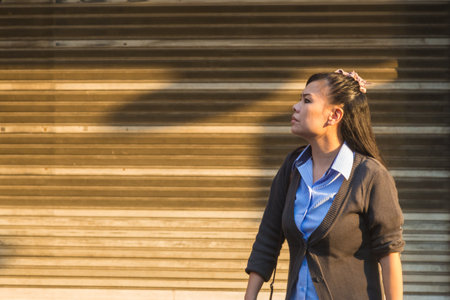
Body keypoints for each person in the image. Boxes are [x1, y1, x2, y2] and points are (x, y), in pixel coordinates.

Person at [244, 70, 405, 300]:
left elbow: (389, 255)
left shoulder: (370, 175)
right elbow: (267, 239)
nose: (295, 106)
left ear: (334, 115)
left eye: (307, 100)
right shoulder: (292, 168)